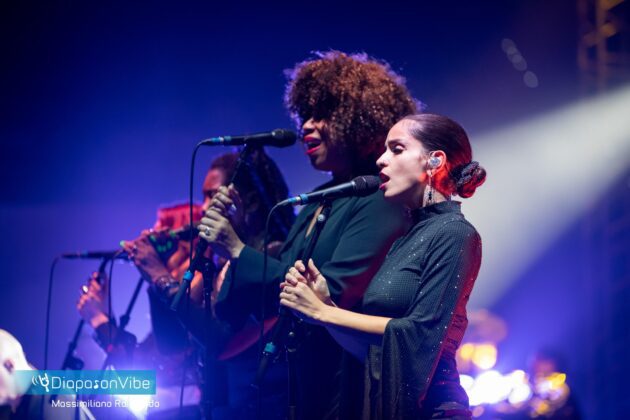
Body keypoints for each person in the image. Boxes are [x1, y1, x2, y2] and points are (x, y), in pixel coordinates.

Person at [199, 51, 418, 419]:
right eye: (304, 115)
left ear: (361, 119)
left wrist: (237, 249)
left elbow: (330, 293)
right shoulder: (319, 200)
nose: (307, 127)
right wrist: (241, 237)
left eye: (322, 114)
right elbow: (270, 295)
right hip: (302, 385)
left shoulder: (380, 200)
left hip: (348, 389)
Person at [280, 114, 487, 419]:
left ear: (434, 161)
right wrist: (326, 306)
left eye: (397, 149)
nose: (381, 159)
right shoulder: (405, 239)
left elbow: (420, 333)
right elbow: (374, 352)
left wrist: (324, 312)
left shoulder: (455, 233)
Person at [77, 149, 295, 419]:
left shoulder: (270, 259)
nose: (203, 209)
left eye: (213, 196)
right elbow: (165, 350)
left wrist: (161, 276)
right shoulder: (218, 271)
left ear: (249, 202)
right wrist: (104, 316)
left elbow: (218, 342)